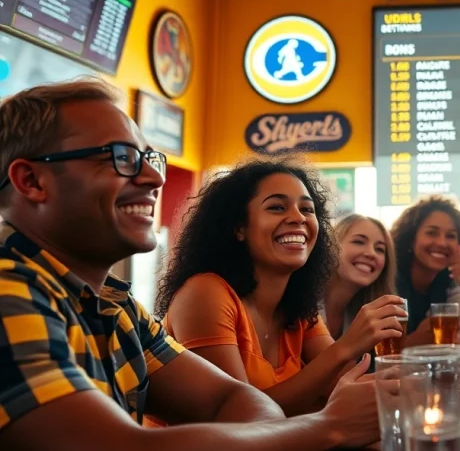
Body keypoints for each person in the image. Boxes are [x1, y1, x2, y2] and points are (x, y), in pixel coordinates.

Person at [0, 79, 379, 451]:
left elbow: (239, 403)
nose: (154, 178)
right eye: (121, 157)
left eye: (149, 158)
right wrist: (330, 427)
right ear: (32, 181)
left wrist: (304, 428)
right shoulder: (9, 294)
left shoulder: (117, 306)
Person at [155, 160, 405, 418]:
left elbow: (347, 389)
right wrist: (346, 347)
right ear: (239, 227)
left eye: (307, 209)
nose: (298, 218)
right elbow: (239, 418)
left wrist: (414, 381)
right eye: (277, 207)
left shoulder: (298, 308)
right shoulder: (204, 293)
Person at [390, 195, 460, 345]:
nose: (442, 243)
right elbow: (371, 352)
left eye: (450, 236)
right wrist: (412, 342)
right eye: (431, 233)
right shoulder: (389, 280)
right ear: (410, 238)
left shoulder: (449, 280)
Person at [321, 214, 399, 340]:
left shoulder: (364, 312)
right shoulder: (303, 302)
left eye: (379, 249)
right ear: (332, 245)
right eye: (359, 242)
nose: (371, 253)